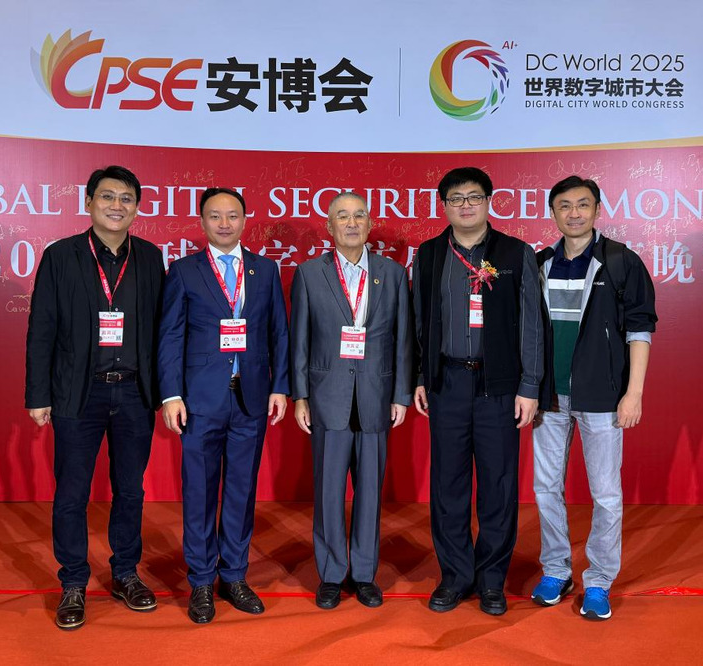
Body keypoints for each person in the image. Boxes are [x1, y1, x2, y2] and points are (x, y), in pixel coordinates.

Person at [25, 165, 164, 630]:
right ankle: (73, 582)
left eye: (126, 198)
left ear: (137, 208)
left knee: (131, 490)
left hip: (134, 393)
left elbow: (164, 331)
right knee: (72, 492)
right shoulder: (60, 256)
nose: (116, 206)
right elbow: (41, 329)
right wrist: (38, 394)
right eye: (107, 197)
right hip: (77, 393)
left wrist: (166, 393)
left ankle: (125, 573)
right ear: (88, 202)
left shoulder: (150, 258)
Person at [411, 167, 544, 616]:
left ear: (489, 201)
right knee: (447, 485)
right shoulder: (430, 254)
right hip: (447, 382)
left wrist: (529, 385)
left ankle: (491, 581)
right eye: (455, 198)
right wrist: (420, 376)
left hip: (499, 386)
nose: (465, 205)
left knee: (498, 485)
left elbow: (531, 324)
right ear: (444, 206)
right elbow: (419, 322)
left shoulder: (515, 253)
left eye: (473, 197)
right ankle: (454, 577)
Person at [157, 187, 290, 624]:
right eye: (215, 216)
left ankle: (234, 576)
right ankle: (200, 580)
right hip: (200, 400)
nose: (224, 223)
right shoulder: (184, 271)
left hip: (251, 397)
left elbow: (278, 331)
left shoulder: (264, 270)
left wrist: (279, 387)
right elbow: (171, 336)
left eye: (232, 215)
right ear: (202, 222)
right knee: (199, 491)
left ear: (245, 220)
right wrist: (172, 395)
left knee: (240, 490)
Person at [530, 175, 657, 621]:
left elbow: (640, 330)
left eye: (583, 205)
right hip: (549, 397)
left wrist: (633, 394)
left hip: (602, 396)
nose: (574, 213)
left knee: (605, 494)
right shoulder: (540, 263)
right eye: (564, 206)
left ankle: (599, 580)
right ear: (553, 213)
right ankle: (555, 570)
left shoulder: (620, 261)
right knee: (545, 488)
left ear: (598, 210)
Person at [290, 192, 413, 610]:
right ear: (330, 227)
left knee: (370, 492)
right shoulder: (309, 274)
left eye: (359, 215)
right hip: (328, 397)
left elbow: (402, 338)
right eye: (342, 216)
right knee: (328, 491)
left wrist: (400, 394)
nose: (351, 223)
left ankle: (363, 574)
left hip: (376, 396)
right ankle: (330, 573)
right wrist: (301, 395)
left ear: (370, 223)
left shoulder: (392, 273)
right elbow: (300, 340)